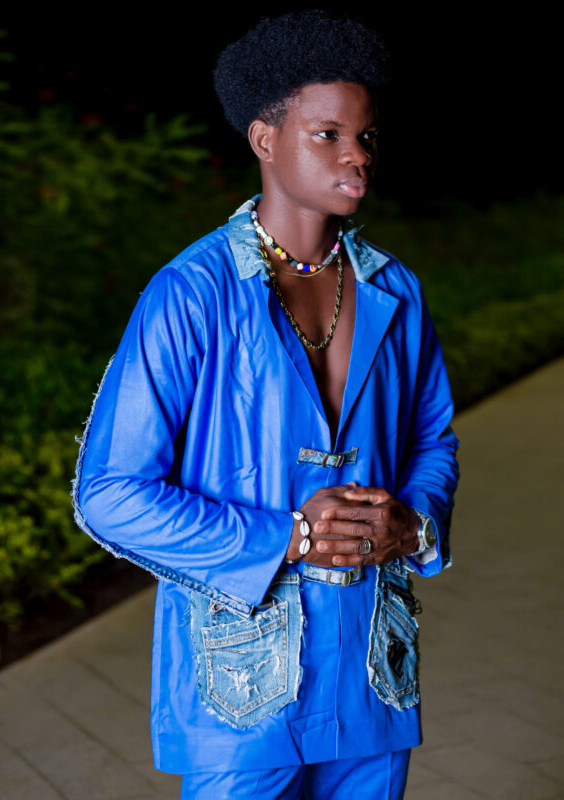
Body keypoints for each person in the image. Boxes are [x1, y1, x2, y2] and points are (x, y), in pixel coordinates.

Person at [72, 9, 459, 799]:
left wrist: (414, 525)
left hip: (371, 671)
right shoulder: (191, 293)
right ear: (265, 139)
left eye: (367, 136)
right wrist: (289, 535)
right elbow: (108, 494)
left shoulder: (395, 289)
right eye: (328, 134)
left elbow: (433, 439)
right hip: (241, 684)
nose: (357, 155)